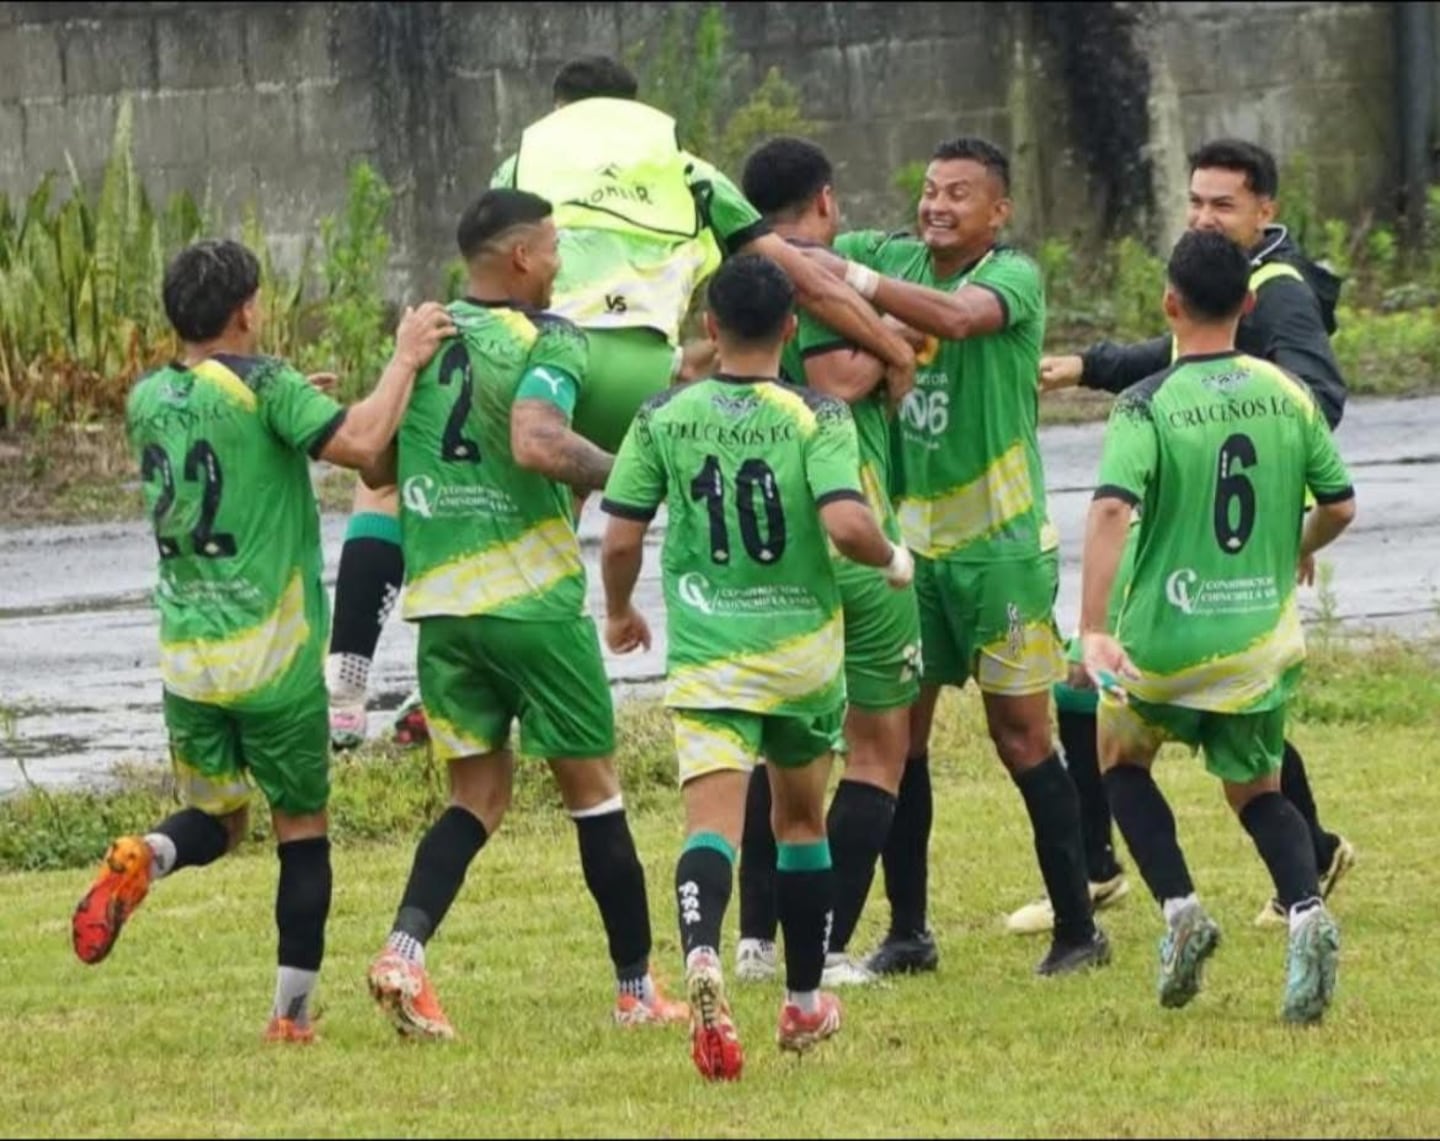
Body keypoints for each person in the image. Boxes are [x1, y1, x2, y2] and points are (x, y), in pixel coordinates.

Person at [324, 54, 917, 749]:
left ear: (557, 109)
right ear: (633, 107)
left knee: (399, 491)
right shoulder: (681, 162)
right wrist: (898, 349)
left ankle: (351, 678)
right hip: (637, 374)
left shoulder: (527, 162)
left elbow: (497, 282)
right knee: (555, 498)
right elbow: (804, 282)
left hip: (548, 354)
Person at [71, 238, 455, 1042]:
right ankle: (291, 1017)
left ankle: (145, 853)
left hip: (188, 658)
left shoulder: (148, 397)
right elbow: (364, 446)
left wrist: (295, 410)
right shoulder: (268, 385)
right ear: (249, 308)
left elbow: (231, 429)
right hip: (273, 659)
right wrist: (405, 358)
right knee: (300, 830)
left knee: (217, 818)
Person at [364, 189, 686, 1040]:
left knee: (476, 795)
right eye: (551, 248)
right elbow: (537, 441)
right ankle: (635, 989)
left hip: (443, 611)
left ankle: (404, 950)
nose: (559, 262)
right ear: (518, 259)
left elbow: (383, 456)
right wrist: (635, 477)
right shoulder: (548, 338)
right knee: (594, 795)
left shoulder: (423, 339)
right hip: (532, 606)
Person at [600, 254, 915, 1080]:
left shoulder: (663, 414)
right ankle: (804, 1002)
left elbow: (624, 533)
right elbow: (847, 526)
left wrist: (621, 609)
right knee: (800, 825)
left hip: (710, 659)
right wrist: (891, 557)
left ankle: (703, 954)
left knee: (711, 828)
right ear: (790, 327)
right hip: (801, 661)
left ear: (708, 329)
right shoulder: (816, 415)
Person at [801, 137, 1110, 978]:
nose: (935, 205)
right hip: (911, 552)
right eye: (929, 189)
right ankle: (909, 933)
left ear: (998, 211)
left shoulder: (1012, 276)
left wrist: (861, 294)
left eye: (958, 195)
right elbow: (801, 251)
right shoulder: (890, 253)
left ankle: (1079, 927)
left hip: (1001, 551)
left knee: (1021, 737)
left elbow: (961, 318)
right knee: (900, 742)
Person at [1034, 138, 1354, 933]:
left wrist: (1264, 494)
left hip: (1204, 566)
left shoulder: (1276, 293)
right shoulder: (1225, 293)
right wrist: (1089, 364)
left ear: (1266, 211)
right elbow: (1193, 354)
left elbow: (1311, 391)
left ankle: (1108, 871)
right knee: (1244, 718)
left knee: (1094, 688)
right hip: (1237, 587)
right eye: (1197, 201)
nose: (1206, 215)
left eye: (1225, 204)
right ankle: (1303, 862)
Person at [1079, 228, 1355, 1023]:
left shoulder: (1147, 403)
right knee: (1259, 791)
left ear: (1169, 303)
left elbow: (1108, 507)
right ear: (1249, 305)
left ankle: (1181, 911)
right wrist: (1295, 547)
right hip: (1258, 647)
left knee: (1123, 766)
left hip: (1163, 643)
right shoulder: (1288, 393)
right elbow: (1339, 505)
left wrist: (1094, 627)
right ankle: (1305, 911)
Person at [729, 136, 923, 987]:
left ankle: (757, 938)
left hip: (770, 560)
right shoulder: (824, 282)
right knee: (878, 748)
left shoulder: (738, 279)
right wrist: (893, 341)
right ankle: (831, 944)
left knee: (782, 750)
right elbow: (838, 376)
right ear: (827, 200)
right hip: (852, 540)